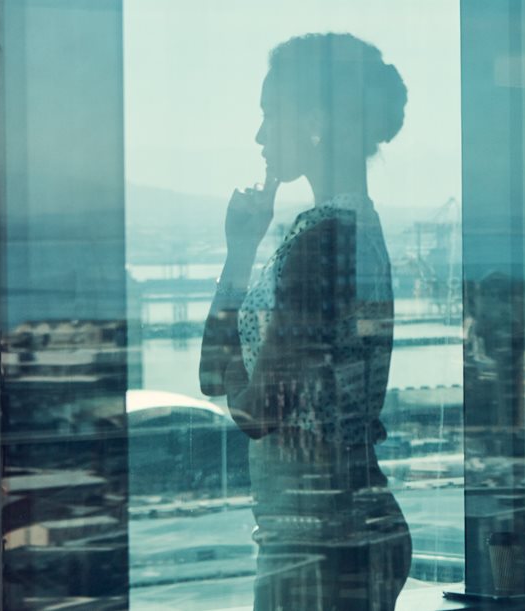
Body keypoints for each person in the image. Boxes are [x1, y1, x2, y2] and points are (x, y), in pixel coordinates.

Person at [200, 32, 410, 611]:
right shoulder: (351, 230)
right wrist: (242, 251)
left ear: (315, 122)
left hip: (320, 542)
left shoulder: (320, 243)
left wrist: (239, 365)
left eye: (270, 113)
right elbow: (217, 379)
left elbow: (254, 410)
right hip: (334, 530)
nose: (260, 135)